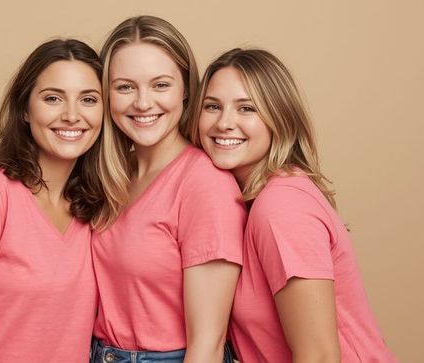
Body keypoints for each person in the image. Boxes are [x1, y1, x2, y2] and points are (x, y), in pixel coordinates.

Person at [190, 48, 397, 363]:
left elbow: (320, 355)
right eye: (212, 106)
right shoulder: (252, 199)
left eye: (247, 108)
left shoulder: (282, 206)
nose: (225, 122)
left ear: (279, 118)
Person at [0, 39, 104, 363]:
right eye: (53, 98)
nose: (72, 115)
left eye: (88, 99)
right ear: (25, 108)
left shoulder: (94, 208)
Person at [90, 16, 246, 363]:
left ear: (186, 89)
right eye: (125, 87)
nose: (143, 103)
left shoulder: (204, 184)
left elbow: (208, 342)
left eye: (160, 85)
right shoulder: (112, 173)